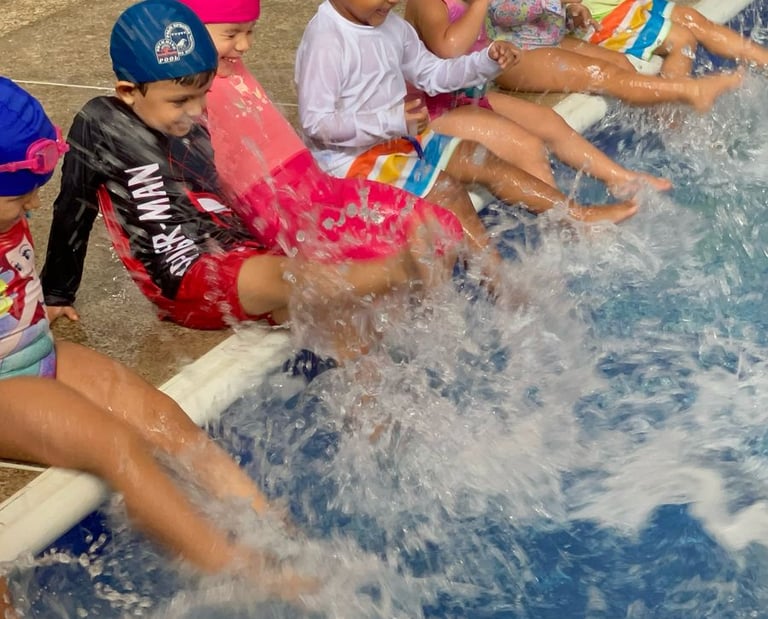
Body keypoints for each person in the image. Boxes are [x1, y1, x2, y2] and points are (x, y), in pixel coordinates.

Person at [0, 76, 314, 610]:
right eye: (19, 193)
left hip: (35, 353)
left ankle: (270, 526)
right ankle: (234, 566)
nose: (34, 200)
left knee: (160, 415)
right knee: (114, 445)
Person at [40, 0, 462, 358]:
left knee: (335, 317)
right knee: (287, 277)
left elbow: (224, 191)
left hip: (234, 250)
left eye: (202, 95)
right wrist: (58, 292)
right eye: (181, 101)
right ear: (129, 91)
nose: (195, 110)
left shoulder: (187, 121)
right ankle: (397, 269)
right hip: (183, 275)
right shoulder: (101, 125)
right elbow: (74, 205)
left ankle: (371, 408)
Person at [295, 0, 641, 246]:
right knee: (449, 192)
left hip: (399, 139)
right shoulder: (327, 39)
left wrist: (486, 62)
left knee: (483, 159)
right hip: (351, 160)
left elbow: (433, 74)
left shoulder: (392, 28)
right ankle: (496, 281)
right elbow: (316, 123)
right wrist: (390, 120)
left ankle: (576, 216)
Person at [403, 0, 672, 196]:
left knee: (548, 121)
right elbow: (449, 49)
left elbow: (477, 49)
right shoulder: (427, 3)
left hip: (464, 97)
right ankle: (566, 224)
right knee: (528, 147)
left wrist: (499, 53)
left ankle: (618, 177)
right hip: (427, 112)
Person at [486, 0, 744, 110]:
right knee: (601, 74)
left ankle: (665, 122)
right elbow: (501, 12)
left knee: (620, 63)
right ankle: (690, 91)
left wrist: (573, 10)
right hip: (512, 52)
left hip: (549, 37)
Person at [577, 0, 768, 77]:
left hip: (625, 3)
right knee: (681, 41)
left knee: (693, 20)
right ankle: (676, 128)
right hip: (602, 20)